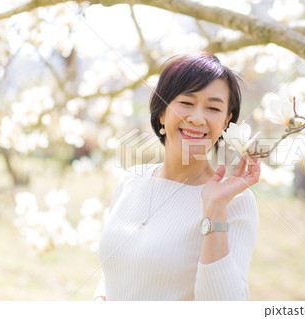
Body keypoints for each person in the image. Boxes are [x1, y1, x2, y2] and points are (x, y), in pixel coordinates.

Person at [93, 51, 261, 301]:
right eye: (186, 103)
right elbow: (115, 271)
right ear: (162, 111)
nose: (197, 118)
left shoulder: (234, 202)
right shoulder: (131, 181)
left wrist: (215, 210)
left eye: (213, 108)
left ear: (226, 122)